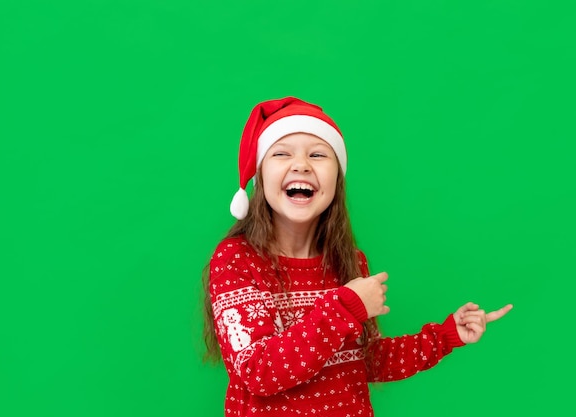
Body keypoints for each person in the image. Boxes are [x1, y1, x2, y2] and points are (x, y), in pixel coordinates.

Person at [202, 97, 513, 417]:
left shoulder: (349, 262)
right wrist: (346, 306)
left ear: (336, 179)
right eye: (282, 153)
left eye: (318, 154)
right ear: (259, 176)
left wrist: (446, 337)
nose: (301, 164)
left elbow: (364, 360)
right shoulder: (237, 260)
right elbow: (258, 371)